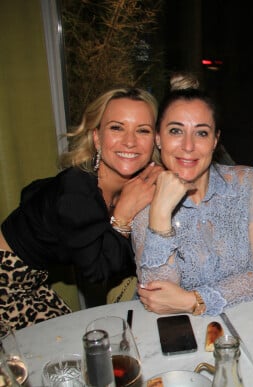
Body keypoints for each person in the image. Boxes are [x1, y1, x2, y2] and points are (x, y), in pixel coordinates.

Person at [0, 87, 162, 330]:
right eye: (116, 127)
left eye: (143, 130)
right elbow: (96, 273)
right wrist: (123, 214)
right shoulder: (76, 188)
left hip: (30, 283)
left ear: (155, 141)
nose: (130, 141)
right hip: (6, 284)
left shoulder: (131, 186)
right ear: (97, 138)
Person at [134, 79, 253, 316]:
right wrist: (159, 214)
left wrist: (195, 300)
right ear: (158, 138)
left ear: (215, 140)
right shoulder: (143, 201)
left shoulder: (246, 183)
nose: (188, 146)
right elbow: (157, 299)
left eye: (201, 133)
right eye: (176, 131)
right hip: (178, 332)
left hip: (244, 321)